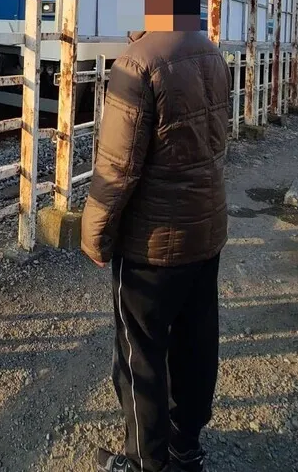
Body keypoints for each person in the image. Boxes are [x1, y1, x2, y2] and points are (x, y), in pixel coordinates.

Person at [81, 28, 230, 472]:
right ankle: (186, 448)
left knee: (140, 355)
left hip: (152, 244)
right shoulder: (212, 53)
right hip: (205, 231)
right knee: (195, 344)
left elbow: (117, 167)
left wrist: (96, 232)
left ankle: (148, 461)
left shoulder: (136, 62)